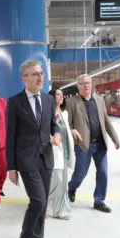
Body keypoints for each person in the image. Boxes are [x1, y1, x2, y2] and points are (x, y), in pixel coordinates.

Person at [5, 60, 61, 238]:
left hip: (46, 157)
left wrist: (57, 134)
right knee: (38, 201)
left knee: (43, 203)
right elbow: (10, 135)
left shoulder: (48, 100)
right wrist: (11, 167)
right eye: (35, 74)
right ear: (24, 78)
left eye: (41, 73)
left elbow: (53, 125)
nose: (40, 77)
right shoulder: (14, 102)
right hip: (26, 159)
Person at [67, 74, 120, 213]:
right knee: (80, 174)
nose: (86, 86)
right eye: (83, 83)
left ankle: (99, 200)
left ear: (92, 84)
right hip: (83, 144)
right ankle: (71, 188)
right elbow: (69, 123)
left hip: (100, 144)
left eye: (88, 83)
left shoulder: (99, 100)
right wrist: (72, 130)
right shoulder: (72, 102)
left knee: (103, 172)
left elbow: (106, 120)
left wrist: (115, 138)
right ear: (78, 86)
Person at [47, 88, 75, 220]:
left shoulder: (65, 113)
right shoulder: (47, 113)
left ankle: (61, 210)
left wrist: (73, 131)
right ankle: (45, 206)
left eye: (62, 95)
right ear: (52, 97)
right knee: (56, 180)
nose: (61, 97)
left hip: (64, 152)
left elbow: (65, 130)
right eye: (58, 94)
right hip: (52, 151)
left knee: (63, 182)